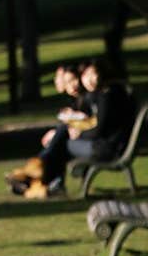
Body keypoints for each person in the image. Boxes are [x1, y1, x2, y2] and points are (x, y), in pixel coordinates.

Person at [8, 58, 138, 200]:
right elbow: (96, 125)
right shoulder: (105, 94)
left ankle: (38, 174)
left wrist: (77, 134)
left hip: (107, 148)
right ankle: (44, 181)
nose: (89, 80)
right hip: (104, 145)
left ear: (101, 73)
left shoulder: (107, 95)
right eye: (85, 76)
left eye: (92, 74)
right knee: (62, 136)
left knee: (62, 141)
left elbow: (99, 129)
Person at [4, 62, 86, 194]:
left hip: (90, 142)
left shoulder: (86, 99)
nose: (71, 85)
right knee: (58, 138)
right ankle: (45, 183)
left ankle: (35, 174)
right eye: (65, 80)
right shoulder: (77, 101)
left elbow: (89, 123)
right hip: (79, 139)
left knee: (59, 140)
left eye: (72, 80)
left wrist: (67, 128)